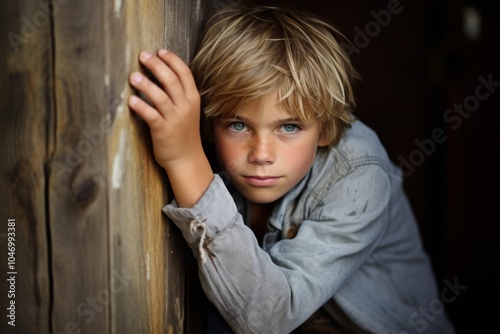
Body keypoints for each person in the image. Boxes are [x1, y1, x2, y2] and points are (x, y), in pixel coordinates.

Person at [128, 3, 455, 333]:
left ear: (325, 129)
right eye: (238, 125)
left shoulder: (360, 175)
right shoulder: (224, 157)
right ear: (208, 125)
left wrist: (186, 161)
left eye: (289, 127)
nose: (261, 154)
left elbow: (269, 319)